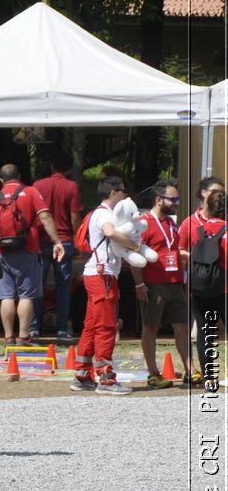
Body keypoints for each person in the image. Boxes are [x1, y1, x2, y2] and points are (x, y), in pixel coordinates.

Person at [71, 175, 143, 395]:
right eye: (123, 191)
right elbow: (110, 233)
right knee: (106, 327)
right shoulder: (104, 214)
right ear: (113, 193)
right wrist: (134, 246)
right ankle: (106, 379)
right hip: (103, 276)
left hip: (98, 274)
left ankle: (83, 375)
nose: (125, 195)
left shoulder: (98, 213)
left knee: (92, 326)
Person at [0, 163, 65, 347]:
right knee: (26, 295)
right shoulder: (30, 192)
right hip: (27, 248)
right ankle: (23, 336)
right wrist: (57, 241)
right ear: (19, 176)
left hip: (2, 251)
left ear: (1, 180)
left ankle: (7, 337)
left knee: (5, 295)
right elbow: (45, 217)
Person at [135, 179, 188, 389]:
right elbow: (135, 255)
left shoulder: (172, 223)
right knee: (151, 327)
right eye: (173, 199)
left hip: (175, 282)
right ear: (159, 199)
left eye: (178, 199)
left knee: (182, 326)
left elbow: (172, 250)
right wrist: (139, 284)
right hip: (154, 283)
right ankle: (153, 373)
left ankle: (190, 370)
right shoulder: (143, 223)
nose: (176, 203)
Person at [32, 154, 82, 341]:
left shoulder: (37, 185)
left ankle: (34, 328)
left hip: (41, 239)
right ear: (69, 169)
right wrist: (78, 239)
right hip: (65, 240)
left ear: (52, 165)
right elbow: (75, 217)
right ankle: (61, 329)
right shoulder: (71, 187)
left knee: (38, 286)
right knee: (63, 287)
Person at [180, 185, 226, 387]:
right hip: (224, 289)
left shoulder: (195, 228)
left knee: (205, 332)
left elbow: (180, 250)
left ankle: (210, 378)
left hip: (200, 288)